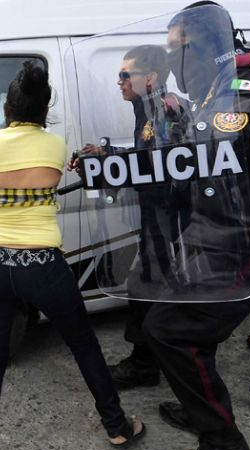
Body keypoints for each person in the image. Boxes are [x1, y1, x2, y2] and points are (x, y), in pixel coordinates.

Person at [0, 61, 145, 450]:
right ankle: (117, 425)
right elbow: (52, 176)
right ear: (43, 109)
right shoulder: (56, 145)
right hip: (42, 265)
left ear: (8, 108)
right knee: (83, 344)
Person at [141, 3, 250, 450]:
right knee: (185, 333)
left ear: (207, 46)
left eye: (178, 49)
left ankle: (227, 448)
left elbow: (225, 155)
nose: (173, 62)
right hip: (206, 235)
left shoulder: (246, 92)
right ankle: (203, 405)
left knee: (172, 331)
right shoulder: (212, 92)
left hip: (239, 241)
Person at [68, 45, 191, 390]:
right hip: (156, 218)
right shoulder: (147, 108)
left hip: (168, 222)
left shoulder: (167, 111)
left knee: (151, 288)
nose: (118, 81)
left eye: (125, 75)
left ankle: (150, 365)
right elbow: (145, 156)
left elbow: (168, 169)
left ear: (149, 79)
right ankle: (148, 361)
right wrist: (107, 155)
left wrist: (113, 167)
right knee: (146, 287)